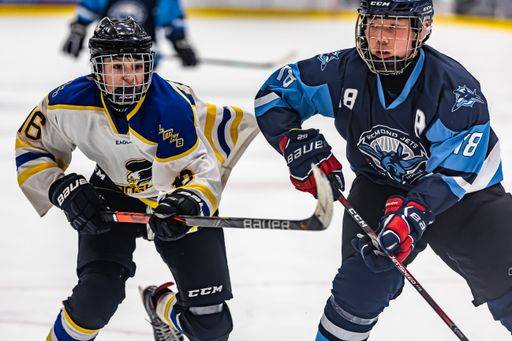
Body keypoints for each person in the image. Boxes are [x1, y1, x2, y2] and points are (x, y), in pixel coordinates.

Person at [254, 0, 512, 339]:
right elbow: (275, 94)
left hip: (464, 199)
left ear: (421, 30)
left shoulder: (454, 90)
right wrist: (294, 143)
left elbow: (456, 172)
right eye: (374, 25)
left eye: (394, 28)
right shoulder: (344, 71)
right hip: (382, 186)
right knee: (358, 286)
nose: (381, 38)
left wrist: (413, 214)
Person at [16, 17, 258, 341]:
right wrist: (61, 189)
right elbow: (32, 146)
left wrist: (188, 202)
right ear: (97, 69)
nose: (130, 78)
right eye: (117, 67)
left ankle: (160, 303)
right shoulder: (68, 101)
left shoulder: (170, 107)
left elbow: (201, 170)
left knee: (210, 326)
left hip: (175, 194)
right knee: (93, 300)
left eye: (137, 66)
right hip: (111, 190)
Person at [62, 0, 198, 67]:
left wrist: (180, 42)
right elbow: (88, 10)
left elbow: (172, 19)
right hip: (107, 54)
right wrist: (77, 31)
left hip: (144, 55)